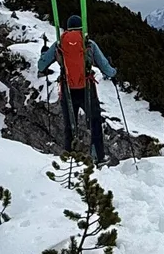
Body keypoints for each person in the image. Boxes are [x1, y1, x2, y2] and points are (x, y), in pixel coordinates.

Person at [36, 14, 117, 164]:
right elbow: (105, 68)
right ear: (81, 28)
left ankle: (70, 158)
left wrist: (43, 54)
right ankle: (98, 157)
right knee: (94, 123)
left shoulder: (59, 44)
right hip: (87, 88)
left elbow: (41, 66)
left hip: (67, 89)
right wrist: (113, 72)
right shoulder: (89, 44)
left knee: (70, 125)